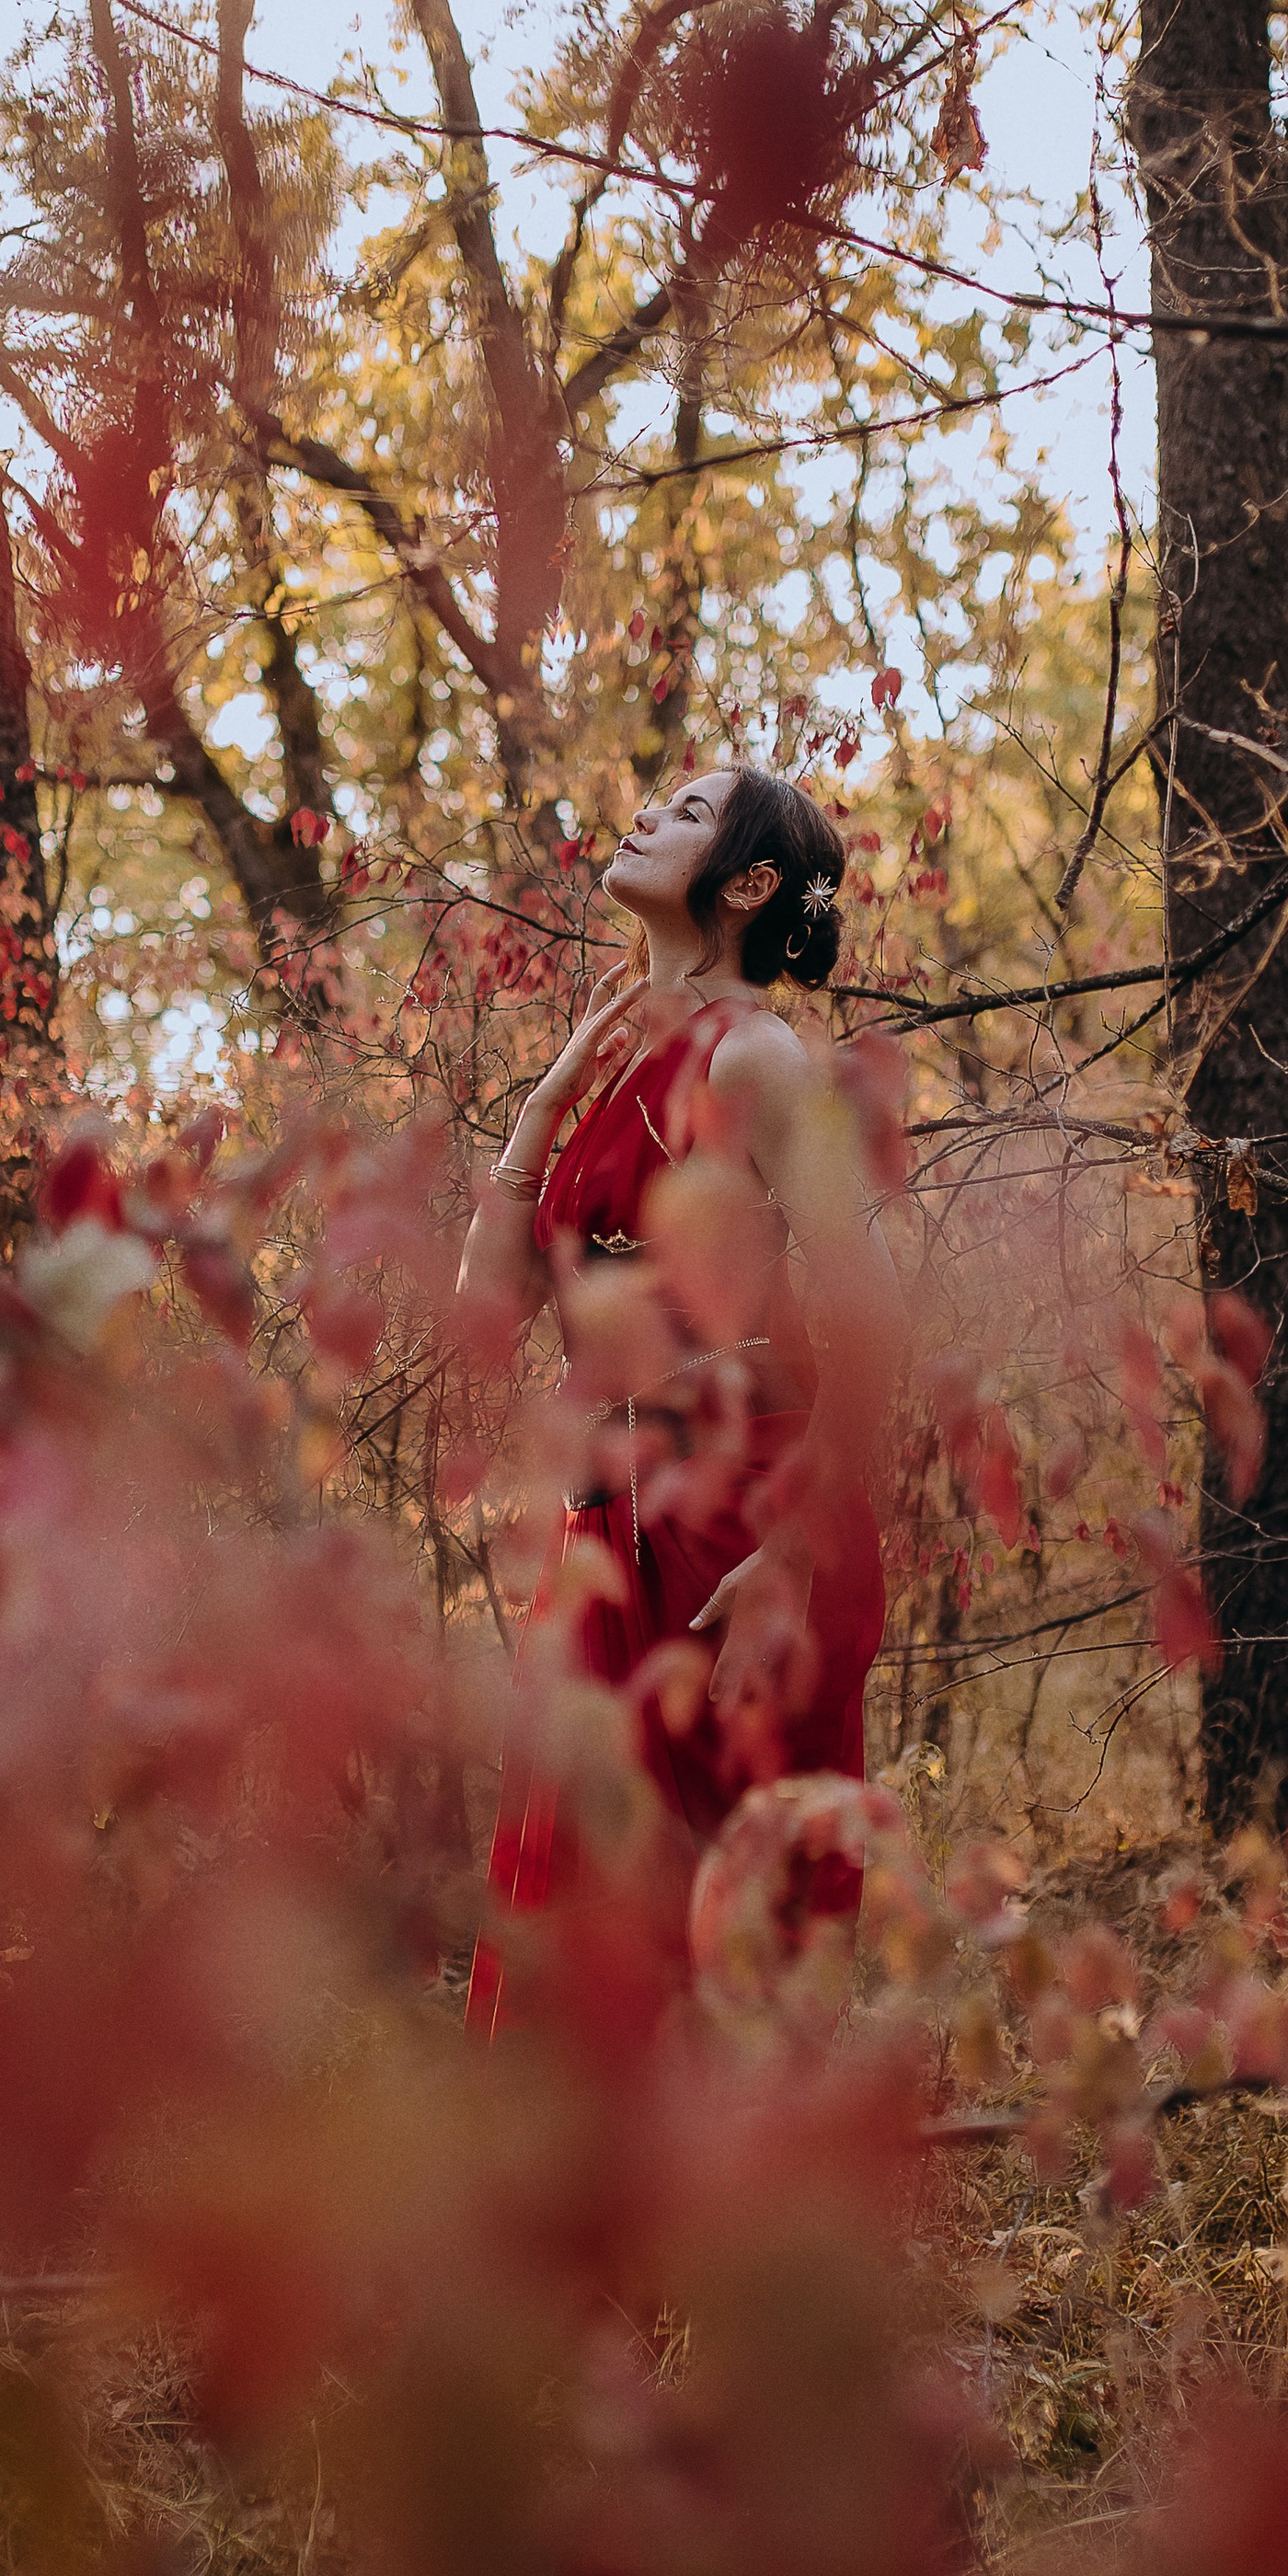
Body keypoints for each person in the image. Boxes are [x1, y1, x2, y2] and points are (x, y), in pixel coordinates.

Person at [457, 765, 906, 2041]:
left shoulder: (759, 1057)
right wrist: (545, 1107)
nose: (649, 812)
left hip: (738, 1535)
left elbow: (874, 1314)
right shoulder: (616, 1068)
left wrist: (796, 1549)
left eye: (691, 812)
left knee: (714, 1955)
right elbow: (487, 1309)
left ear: (750, 883)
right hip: (608, 1531)